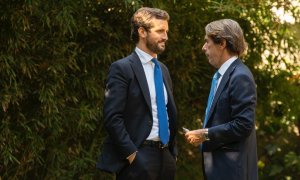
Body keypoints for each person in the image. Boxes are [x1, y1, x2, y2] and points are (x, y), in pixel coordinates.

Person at [96, 7, 177, 180]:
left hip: (166, 157)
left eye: (166, 31)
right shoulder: (122, 68)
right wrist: (132, 154)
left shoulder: (163, 70)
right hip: (138, 158)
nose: (166, 37)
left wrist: (173, 153)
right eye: (160, 31)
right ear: (142, 32)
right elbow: (112, 117)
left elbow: (168, 112)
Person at [185, 19, 258, 180]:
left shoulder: (240, 76)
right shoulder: (222, 76)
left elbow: (244, 124)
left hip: (233, 172)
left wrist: (206, 134)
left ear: (222, 43)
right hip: (220, 170)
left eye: (207, 42)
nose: (203, 48)